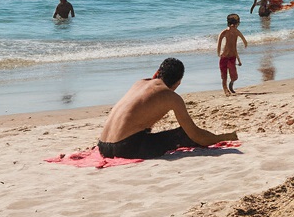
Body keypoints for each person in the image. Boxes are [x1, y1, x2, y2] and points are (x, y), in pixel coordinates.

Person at [97, 58, 239, 159]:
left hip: (103, 146)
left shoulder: (139, 83)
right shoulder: (171, 97)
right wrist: (222, 138)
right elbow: (196, 135)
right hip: (125, 149)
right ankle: (227, 136)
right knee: (183, 134)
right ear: (178, 82)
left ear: (157, 72)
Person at [216, 13, 248, 96]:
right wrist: (219, 52)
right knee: (224, 75)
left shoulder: (237, 32)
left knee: (234, 76)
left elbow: (243, 40)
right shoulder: (225, 32)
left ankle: (231, 83)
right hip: (224, 56)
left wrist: (239, 59)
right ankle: (225, 89)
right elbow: (219, 42)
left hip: (232, 57)